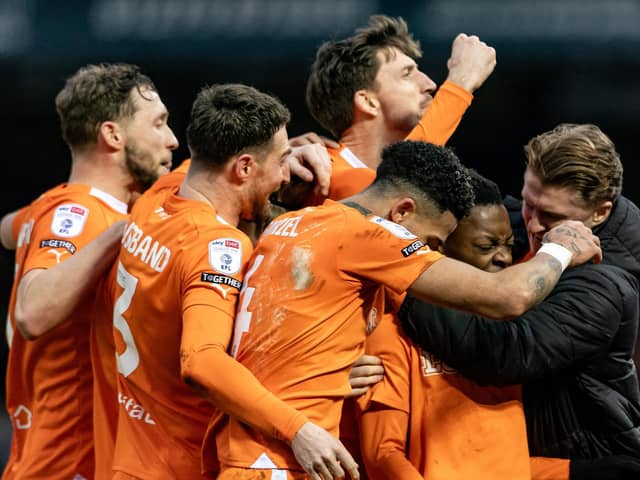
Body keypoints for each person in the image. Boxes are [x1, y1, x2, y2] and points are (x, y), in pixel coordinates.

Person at [211, 141, 601, 479]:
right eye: (430, 241)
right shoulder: (367, 236)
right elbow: (507, 298)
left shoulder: (291, 224)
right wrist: (560, 245)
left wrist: (330, 366)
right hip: (281, 457)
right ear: (401, 213)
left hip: (251, 450)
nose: (428, 253)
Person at [110, 83, 358, 479]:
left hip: (133, 459)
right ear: (243, 167)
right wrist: (299, 431)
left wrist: (285, 148)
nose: (284, 174)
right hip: (184, 465)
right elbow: (202, 361)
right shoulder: (217, 248)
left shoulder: (153, 201)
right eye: (280, 161)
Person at [400, 124, 640, 477]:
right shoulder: (524, 218)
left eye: (554, 218)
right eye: (529, 202)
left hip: (588, 464)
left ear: (600, 213)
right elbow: (417, 192)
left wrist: (402, 279)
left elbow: (505, 353)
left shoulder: (605, 285)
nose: (534, 226)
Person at [2, 63, 178, 479]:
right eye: (159, 123)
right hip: (67, 463)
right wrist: (120, 231)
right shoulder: (79, 215)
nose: (171, 139)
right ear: (112, 135)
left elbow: (7, 230)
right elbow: (32, 312)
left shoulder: (54, 206)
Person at [355, 170, 540, 479]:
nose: (504, 259)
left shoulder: (510, 335)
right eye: (486, 246)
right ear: (438, 247)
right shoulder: (392, 331)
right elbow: (383, 454)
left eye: (509, 244)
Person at [295, 14, 495, 204]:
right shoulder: (327, 173)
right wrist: (459, 84)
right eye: (407, 74)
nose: (430, 84)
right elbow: (389, 185)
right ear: (367, 102)